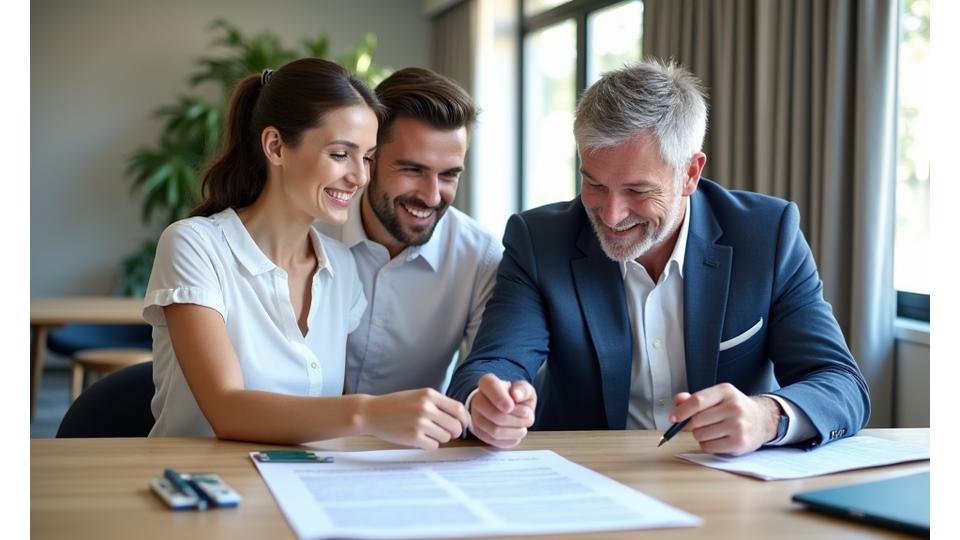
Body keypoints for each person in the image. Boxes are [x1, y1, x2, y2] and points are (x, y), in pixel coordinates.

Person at [447, 60, 870, 455]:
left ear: (690, 173)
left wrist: (767, 417)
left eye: (637, 191)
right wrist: (487, 402)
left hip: (725, 484)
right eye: (594, 184)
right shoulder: (540, 240)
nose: (611, 216)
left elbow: (841, 383)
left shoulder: (767, 234)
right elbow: (492, 362)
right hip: (589, 475)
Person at [143, 58, 468, 448]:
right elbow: (227, 409)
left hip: (298, 490)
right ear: (275, 146)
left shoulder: (342, 267)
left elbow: (325, 419)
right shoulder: (195, 245)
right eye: (340, 154)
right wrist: (369, 412)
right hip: (200, 491)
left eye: (366, 157)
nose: (360, 177)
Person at [315, 67, 501, 395]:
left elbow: (485, 373)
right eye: (413, 170)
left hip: (422, 444)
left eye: (448, 175)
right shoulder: (309, 230)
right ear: (368, 160)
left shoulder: (479, 258)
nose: (431, 196)